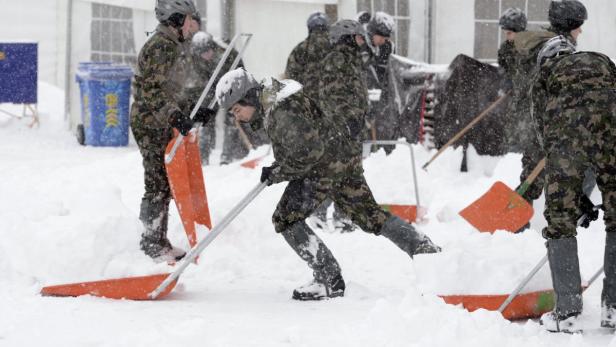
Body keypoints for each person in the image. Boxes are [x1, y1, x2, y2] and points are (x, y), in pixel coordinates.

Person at [215, 68, 441, 300]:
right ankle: (426, 251)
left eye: (236, 109)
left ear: (250, 97)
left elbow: (308, 153)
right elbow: (302, 140)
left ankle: (328, 278)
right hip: (341, 158)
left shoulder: (280, 112)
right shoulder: (277, 98)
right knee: (370, 215)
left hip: (321, 168)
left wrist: (279, 172)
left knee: (285, 217)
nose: (236, 117)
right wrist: (279, 166)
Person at [532, 34, 616, 333]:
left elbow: (545, 134)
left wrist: (573, 199)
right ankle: (614, 308)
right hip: (613, 134)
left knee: (559, 222)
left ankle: (566, 311)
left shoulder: (544, 75)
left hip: (567, 142)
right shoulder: (604, 61)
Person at [130, 0, 215, 263]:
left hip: (161, 121)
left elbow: (175, 90)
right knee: (156, 184)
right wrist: (175, 116)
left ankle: (158, 241)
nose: (193, 25)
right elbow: (152, 92)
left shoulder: (175, 46)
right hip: (150, 122)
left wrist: (193, 111)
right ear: (176, 19)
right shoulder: (160, 47)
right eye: (189, 19)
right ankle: (151, 243)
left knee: (164, 184)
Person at [512, 0, 594, 231]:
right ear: (569, 24)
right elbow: (558, 93)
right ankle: (519, 225)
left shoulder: (542, 44)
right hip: (547, 126)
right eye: (578, 25)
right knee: (548, 178)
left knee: (533, 176)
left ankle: (516, 222)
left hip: (535, 123)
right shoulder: (557, 51)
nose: (581, 30)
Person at [309, 19, 370, 232]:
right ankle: (318, 213)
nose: (363, 41)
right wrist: (348, 119)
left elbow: (354, 92)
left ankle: (343, 216)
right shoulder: (337, 58)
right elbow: (331, 94)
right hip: (339, 127)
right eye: (359, 36)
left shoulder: (352, 59)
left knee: (348, 172)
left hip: (351, 126)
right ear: (348, 37)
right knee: (335, 171)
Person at [497, 8, 529, 153]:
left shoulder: (531, 48)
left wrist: (520, 84)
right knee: (511, 130)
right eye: (506, 33)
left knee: (525, 132)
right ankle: (510, 155)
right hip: (512, 99)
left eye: (509, 33)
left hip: (528, 100)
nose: (507, 36)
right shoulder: (505, 48)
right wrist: (506, 80)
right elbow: (503, 68)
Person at [364, 12, 396, 154]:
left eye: (387, 37)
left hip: (381, 100)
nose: (384, 40)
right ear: (371, 32)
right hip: (363, 100)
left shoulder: (387, 47)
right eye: (382, 36)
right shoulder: (361, 47)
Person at [284, 11, 331, 101]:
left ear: (309, 28)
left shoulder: (300, 49)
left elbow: (290, 77)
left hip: (307, 102)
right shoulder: (336, 47)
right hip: (332, 103)